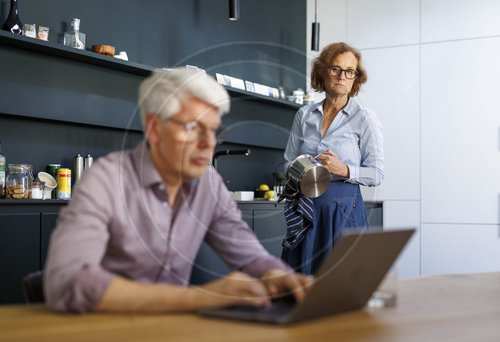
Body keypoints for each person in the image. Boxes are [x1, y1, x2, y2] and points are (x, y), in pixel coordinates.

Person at [44, 68, 312, 313]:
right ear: (154, 128)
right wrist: (202, 297)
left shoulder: (209, 184)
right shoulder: (106, 179)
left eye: (214, 131)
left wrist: (280, 277)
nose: (208, 143)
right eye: (193, 128)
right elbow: (69, 281)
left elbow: (249, 255)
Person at [282, 42, 384, 275]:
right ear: (322, 72)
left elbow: (376, 174)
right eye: (335, 69)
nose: (342, 76)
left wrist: (343, 169)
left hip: (344, 212)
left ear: (356, 78)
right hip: (306, 209)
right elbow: (288, 162)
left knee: (341, 284)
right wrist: (303, 169)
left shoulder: (365, 119)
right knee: (302, 284)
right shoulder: (304, 115)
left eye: (350, 71)